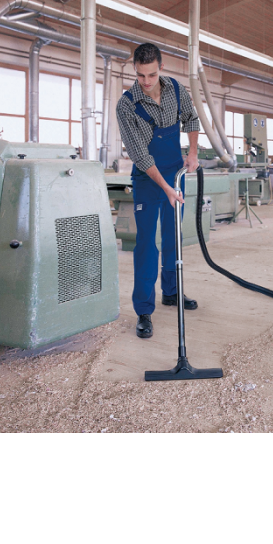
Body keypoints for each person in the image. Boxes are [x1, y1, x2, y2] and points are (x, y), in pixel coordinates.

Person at [116, 43, 200, 339]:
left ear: (160, 68)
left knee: (173, 237)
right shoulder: (127, 105)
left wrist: (192, 152)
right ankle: (143, 311)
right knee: (146, 246)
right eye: (141, 76)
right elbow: (141, 155)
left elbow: (190, 118)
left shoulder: (176, 89)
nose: (147, 81)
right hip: (149, 179)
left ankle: (171, 292)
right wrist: (165, 188)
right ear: (135, 71)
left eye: (151, 74)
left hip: (176, 173)